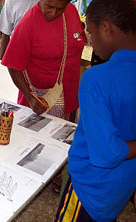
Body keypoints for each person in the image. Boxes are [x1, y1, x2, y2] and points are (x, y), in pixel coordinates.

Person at [55, 0, 136, 221]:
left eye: (90, 32)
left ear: (106, 28)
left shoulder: (96, 78)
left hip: (89, 189)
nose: (90, 40)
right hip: (123, 184)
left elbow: (107, 153)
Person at [1, 0, 86, 193]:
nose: (54, 12)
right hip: (41, 99)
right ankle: (33, 179)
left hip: (68, 91)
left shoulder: (72, 12)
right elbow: (13, 65)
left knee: (63, 139)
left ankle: (57, 172)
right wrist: (30, 97)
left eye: (60, 8)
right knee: (35, 146)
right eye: (49, 6)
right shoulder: (28, 23)